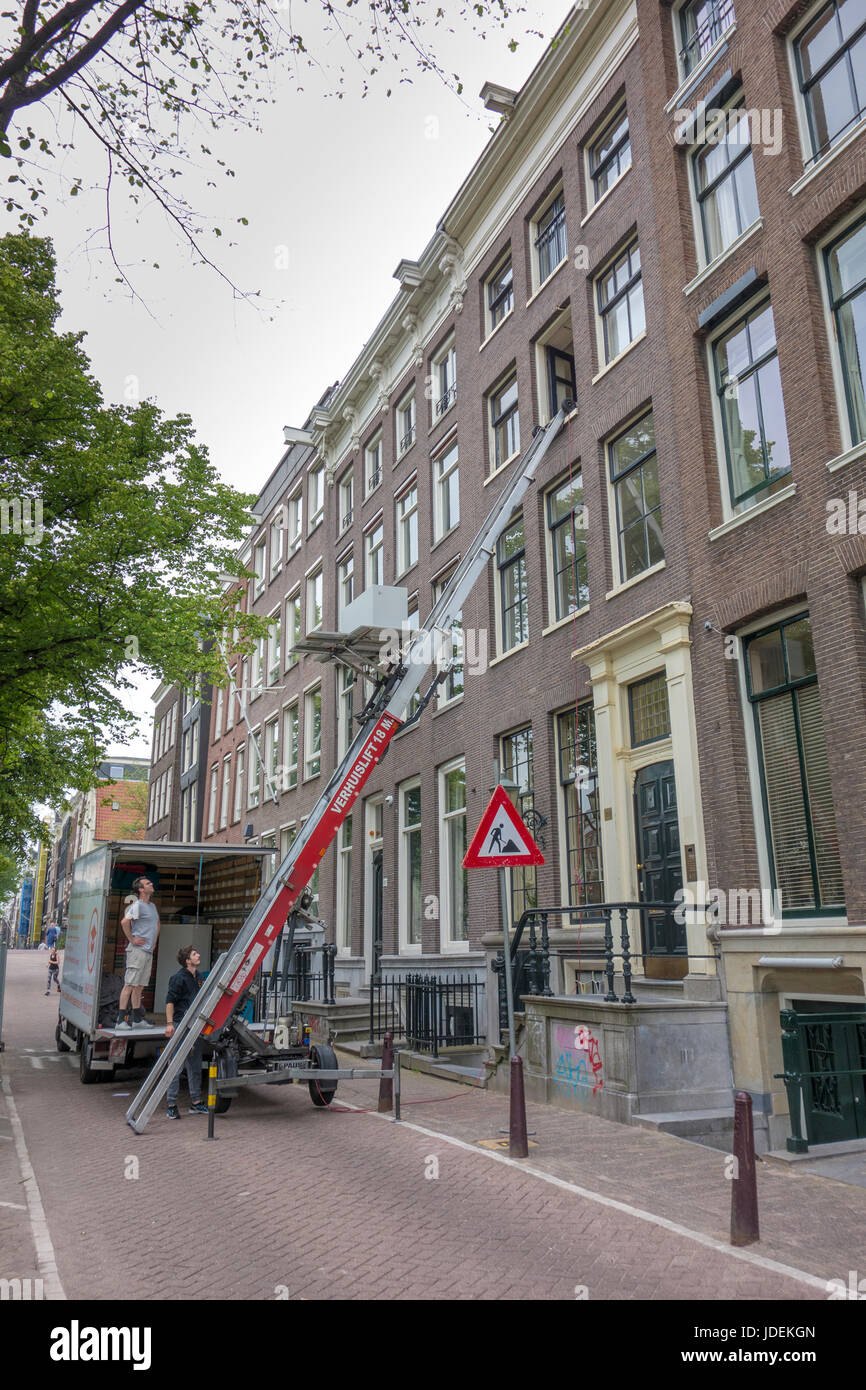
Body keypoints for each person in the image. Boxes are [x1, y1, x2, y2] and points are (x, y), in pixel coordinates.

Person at [164, 946, 208, 1120]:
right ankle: (171, 1105)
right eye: (194, 954)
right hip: (180, 1024)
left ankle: (196, 1103)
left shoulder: (199, 977)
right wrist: (169, 1024)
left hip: (195, 1026)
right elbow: (169, 1002)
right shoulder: (178, 979)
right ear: (187, 961)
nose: (198, 955)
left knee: (195, 1065)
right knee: (175, 1065)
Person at [116, 876, 160, 1030]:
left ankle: (137, 1020)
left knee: (139, 986)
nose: (152, 883)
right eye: (148, 883)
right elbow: (124, 922)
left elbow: (157, 923)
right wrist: (132, 939)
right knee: (129, 984)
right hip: (138, 951)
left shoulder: (152, 906)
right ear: (141, 889)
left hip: (147, 951)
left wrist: (153, 942)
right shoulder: (138, 905)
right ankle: (120, 1021)